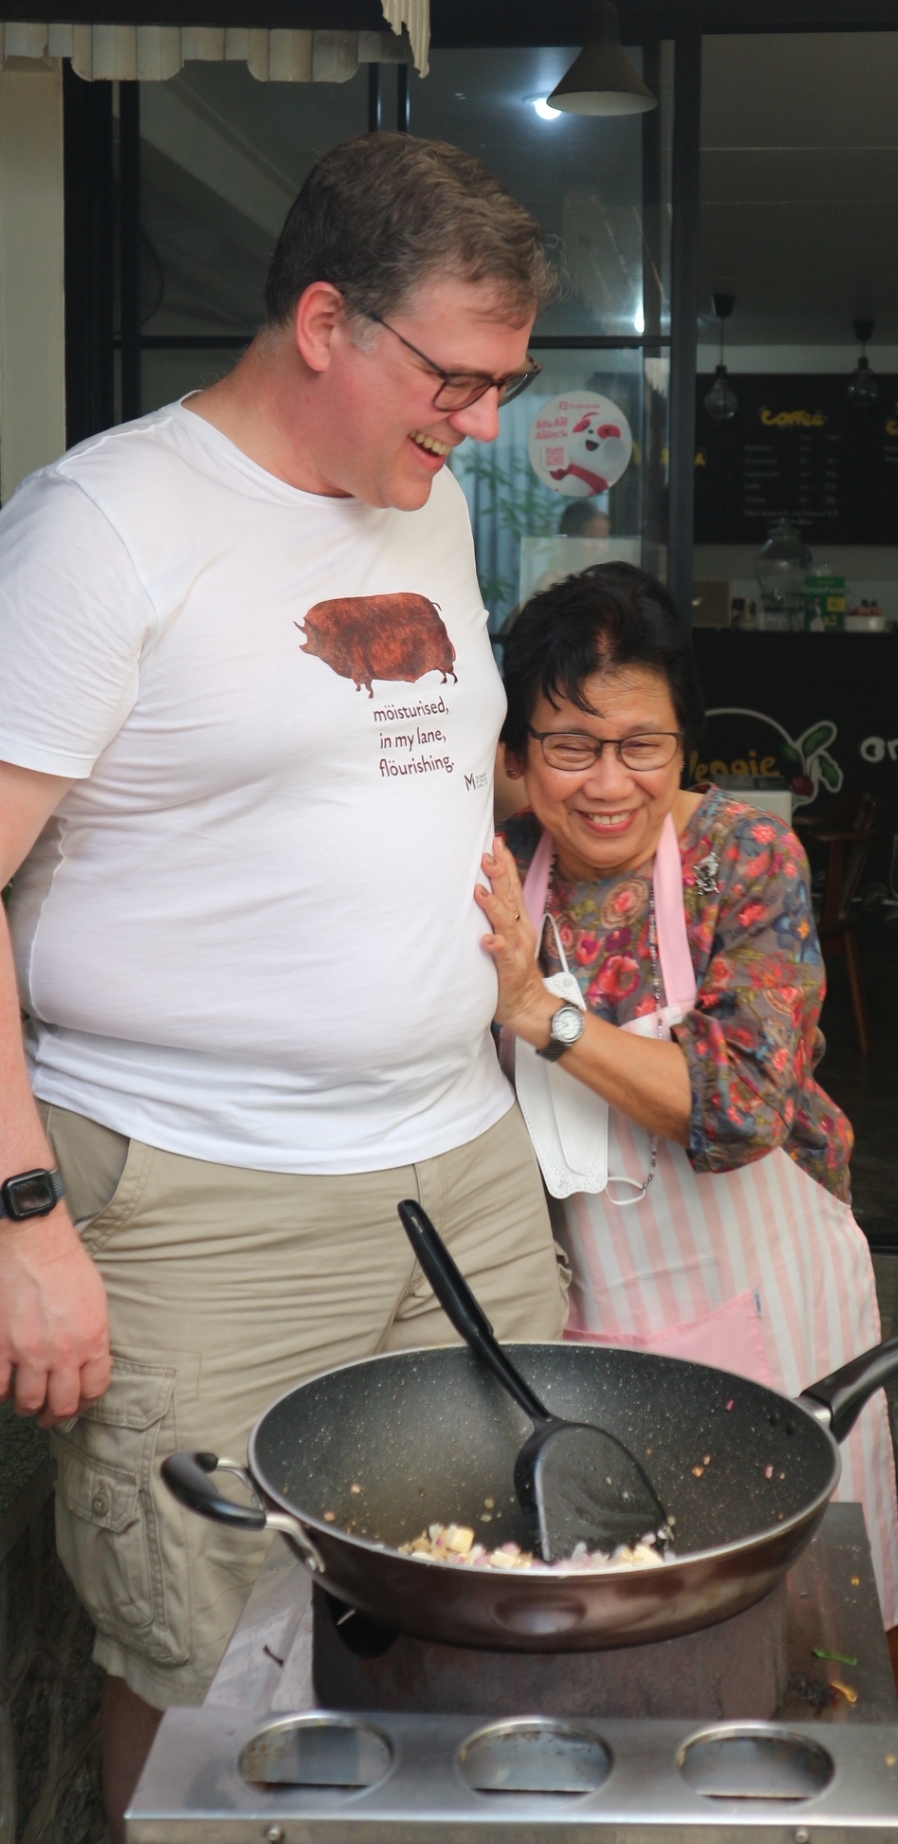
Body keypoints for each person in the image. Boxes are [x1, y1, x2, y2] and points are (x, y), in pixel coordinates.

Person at [0, 132, 569, 1836]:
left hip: (459, 1163)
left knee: (492, 1579)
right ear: (326, 322)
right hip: (201, 1192)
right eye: (458, 380)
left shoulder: (429, 502)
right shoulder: (105, 525)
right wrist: (24, 1219)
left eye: (503, 383)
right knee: (204, 1656)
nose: (484, 424)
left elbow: (395, 770)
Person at [477, 562, 898, 1728]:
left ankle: (873, 1783)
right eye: (571, 746)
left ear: (685, 743)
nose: (609, 781)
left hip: (770, 1287)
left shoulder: (745, 858)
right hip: (583, 1300)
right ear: (516, 751)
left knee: (830, 1587)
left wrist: (546, 1016)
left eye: (644, 744)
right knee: (626, 1599)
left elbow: (739, 1104)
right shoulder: (497, 865)